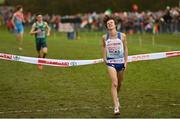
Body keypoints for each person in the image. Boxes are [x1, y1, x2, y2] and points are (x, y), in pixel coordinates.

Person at [101, 15, 128, 115]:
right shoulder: (104, 37)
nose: (110, 24)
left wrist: (126, 61)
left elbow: (125, 48)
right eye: (108, 24)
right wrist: (104, 57)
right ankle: (116, 107)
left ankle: (116, 97)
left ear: (115, 24)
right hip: (111, 63)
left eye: (111, 23)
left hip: (121, 62)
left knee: (120, 84)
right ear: (106, 26)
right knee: (114, 83)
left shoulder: (123, 36)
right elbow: (103, 47)